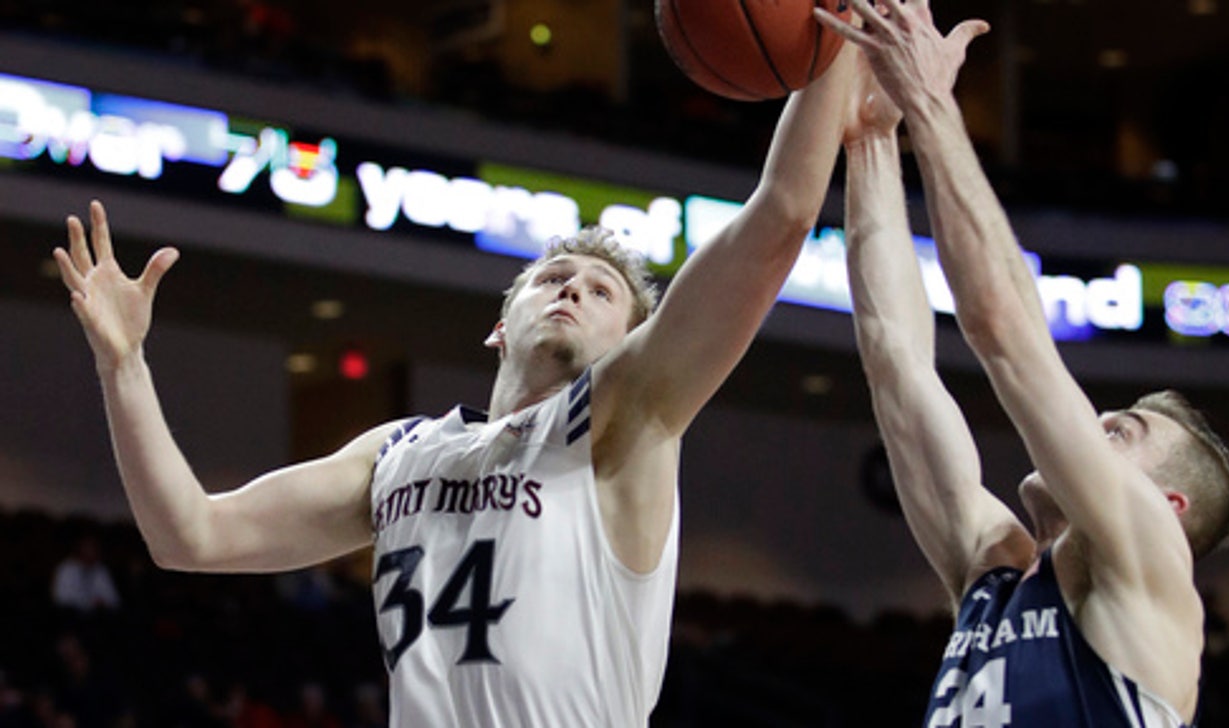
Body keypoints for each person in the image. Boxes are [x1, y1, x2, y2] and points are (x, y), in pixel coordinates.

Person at [51, 46, 858, 726]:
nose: (574, 289)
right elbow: (189, 536)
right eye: (553, 277)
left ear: (633, 343)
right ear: (500, 328)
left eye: (603, 292)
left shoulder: (627, 419)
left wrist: (837, 33)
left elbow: (783, 212)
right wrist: (124, 366)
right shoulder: (400, 451)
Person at [816, 1, 1229, 725]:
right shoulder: (991, 567)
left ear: (1166, 507)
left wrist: (931, 101)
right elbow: (897, 364)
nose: (1096, 420)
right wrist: (872, 139)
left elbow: (1003, 328)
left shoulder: (1145, 563)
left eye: (1121, 433)